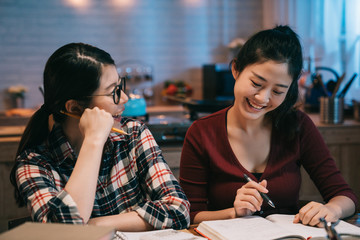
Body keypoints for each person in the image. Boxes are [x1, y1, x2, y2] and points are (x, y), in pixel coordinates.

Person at [179, 25, 357, 227]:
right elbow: (189, 214)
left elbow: (345, 196)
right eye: (256, 83)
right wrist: (234, 212)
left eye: (278, 91)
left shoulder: (299, 125)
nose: (262, 98)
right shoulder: (202, 132)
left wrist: (331, 209)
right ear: (236, 69)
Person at [10, 43, 190, 231]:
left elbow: (179, 210)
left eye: (120, 86)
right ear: (75, 108)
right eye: (113, 92)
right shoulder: (34, 163)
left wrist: (95, 225)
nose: (124, 98)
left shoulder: (134, 134)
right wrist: (93, 142)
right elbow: (64, 233)